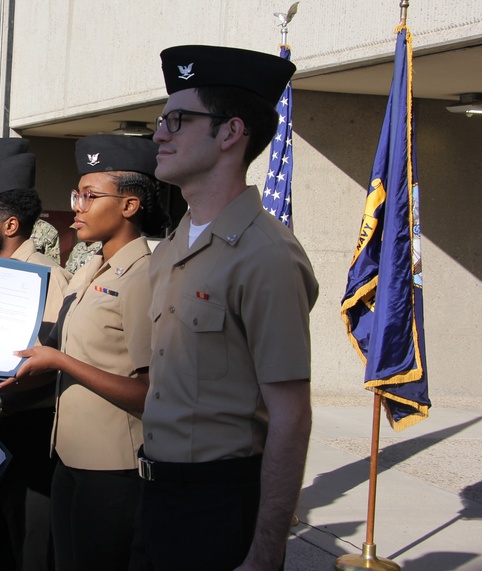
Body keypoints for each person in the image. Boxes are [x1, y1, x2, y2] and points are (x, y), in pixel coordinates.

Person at [131, 45, 318, 571]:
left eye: (176, 120)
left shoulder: (266, 255)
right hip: (155, 496)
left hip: (217, 505)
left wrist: (264, 555)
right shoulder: (171, 248)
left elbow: (290, 415)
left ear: (231, 133)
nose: (159, 135)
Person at [1, 134, 167, 571]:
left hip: (113, 469)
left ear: (130, 206)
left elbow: (150, 394)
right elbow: (57, 348)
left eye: (90, 197)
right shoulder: (90, 267)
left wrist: (59, 362)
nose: (77, 206)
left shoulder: (143, 277)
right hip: (69, 458)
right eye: (78, 195)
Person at [0, 152, 71, 571]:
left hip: (26, 430)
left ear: (9, 225)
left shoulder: (46, 277)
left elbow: (49, 368)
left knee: (29, 546)